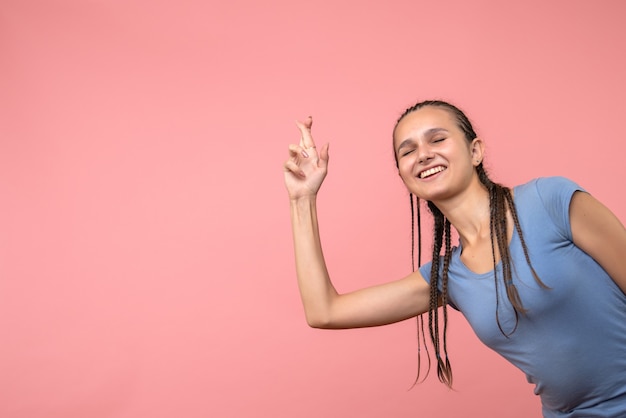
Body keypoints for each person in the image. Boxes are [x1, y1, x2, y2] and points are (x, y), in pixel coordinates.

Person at [283, 100, 626, 417]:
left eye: (437, 139)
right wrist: (302, 199)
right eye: (408, 151)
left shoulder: (550, 201)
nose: (423, 155)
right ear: (403, 175)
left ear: (475, 151)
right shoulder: (449, 277)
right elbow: (324, 311)